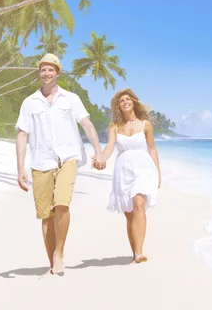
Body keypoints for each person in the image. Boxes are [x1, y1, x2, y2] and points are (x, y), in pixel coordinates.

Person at [15, 53, 106, 276]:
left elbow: (87, 124)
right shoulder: (30, 102)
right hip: (41, 162)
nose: (46, 74)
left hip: (67, 158)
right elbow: (22, 135)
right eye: (43, 70)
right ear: (40, 73)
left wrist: (98, 151)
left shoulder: (71, 99)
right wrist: (20, 168)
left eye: (50, 70)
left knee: (62, 204)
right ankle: (52, 261)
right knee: (47, 214)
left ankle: (59, 254)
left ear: (58, 72)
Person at [100, 88, 161, 263]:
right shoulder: (114, 126)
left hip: (144, 169)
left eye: (128, 99)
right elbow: (110, 146)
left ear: (133, 101)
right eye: (121, 100)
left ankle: (140, 252)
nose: (125, 102)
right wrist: (101, 159)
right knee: (129, 213)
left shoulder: (145, 124)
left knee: (138, 203)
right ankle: (135, 251)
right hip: (123, 170)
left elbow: (152, 148)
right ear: (118, 106)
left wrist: (158, 173)